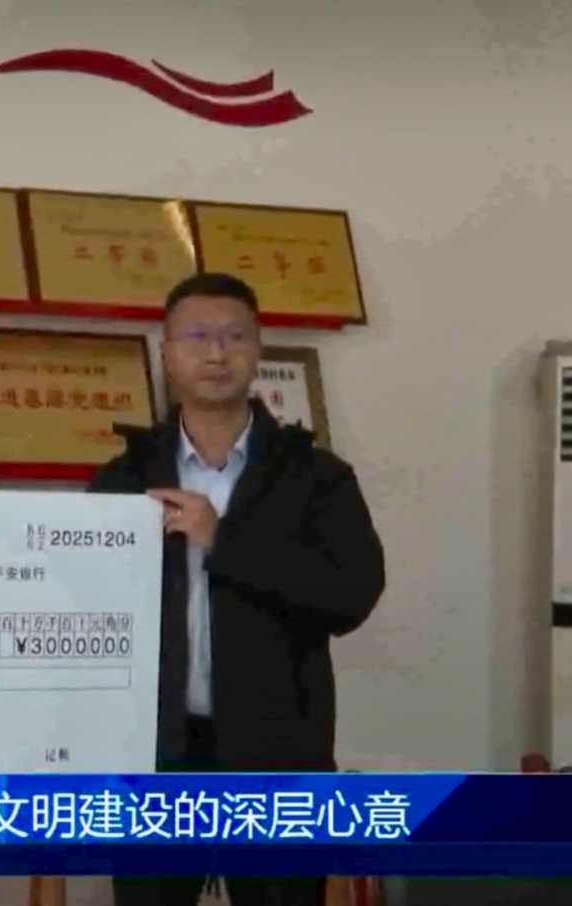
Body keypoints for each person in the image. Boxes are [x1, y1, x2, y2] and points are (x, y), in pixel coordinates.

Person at [89, 273, 386, 906]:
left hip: (279, 749)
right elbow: (84, 604)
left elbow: (351, 595)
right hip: (157, 753)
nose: (216, 353)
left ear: (258, 351)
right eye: (197, 336)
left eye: (234, 336)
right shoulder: (124, 478)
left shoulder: (315, 477)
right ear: (166, 352)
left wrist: (222, 541)